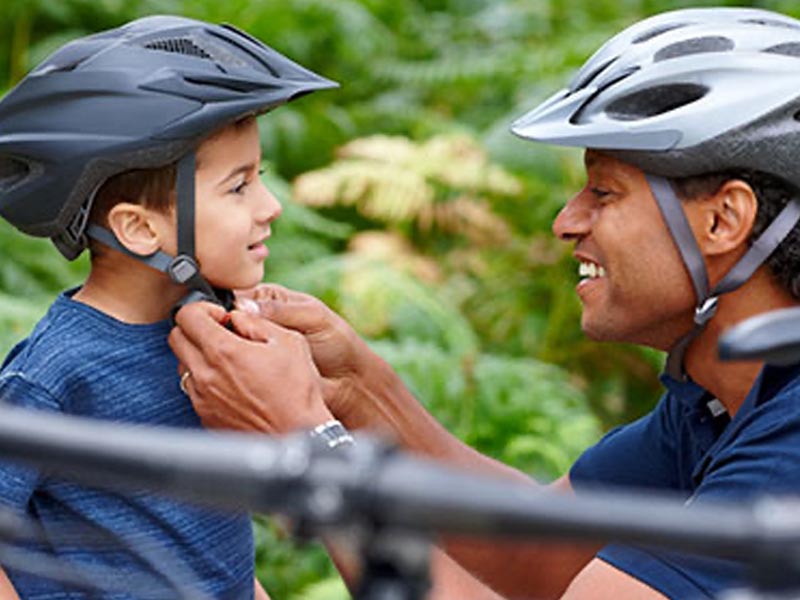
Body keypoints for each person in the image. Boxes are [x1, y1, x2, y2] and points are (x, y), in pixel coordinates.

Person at [169, 6, 800, 600]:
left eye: (604, 192)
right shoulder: (725, 402)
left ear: (724, 220)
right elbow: (536, 554)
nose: (566, 221)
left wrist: (309, 446)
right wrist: (355, 390)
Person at [0, 15, 336, 599]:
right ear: (138, 228)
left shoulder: (215, 346)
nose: (272, 206)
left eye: (262, 178)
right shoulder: (54, 375)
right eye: (240, 186)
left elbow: (199, 536)